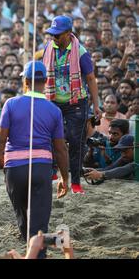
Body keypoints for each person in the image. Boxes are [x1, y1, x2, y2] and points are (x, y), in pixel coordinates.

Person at [0, 61, 69, 259]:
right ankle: (37, 254)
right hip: (41, 169)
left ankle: (32, 253)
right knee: (39, 223)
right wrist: (65, 178)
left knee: (23, 218)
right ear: (46, 81)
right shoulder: (54, 110)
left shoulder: (11, 104)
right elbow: (60, 148)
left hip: (15, 170)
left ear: (25, 81)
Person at [39, 15, 101, 194]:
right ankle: (51, 173)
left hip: (76, 103)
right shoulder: (48, 48)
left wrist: (96, 105)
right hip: (53, 100)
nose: (54, 38)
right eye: (52, 34)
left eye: (57, 35)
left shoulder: (81, 52)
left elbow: (90, 78)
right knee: (49, 137)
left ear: (68, 33)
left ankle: (75, 182)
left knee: (76, 142)